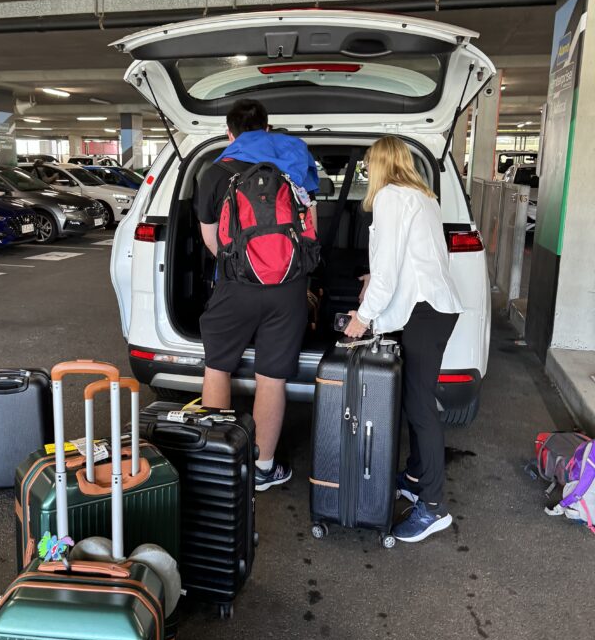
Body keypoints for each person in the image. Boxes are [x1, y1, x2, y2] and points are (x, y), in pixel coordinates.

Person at [196, 98, 319, 492]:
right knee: (272, 378)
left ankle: (216, 460)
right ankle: (264, 468)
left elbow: (210, 239)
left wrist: (240, 266)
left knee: (218, 367)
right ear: (267, 128)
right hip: (288, 288)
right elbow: (309, 223)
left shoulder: (214, 173)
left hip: (236, 286)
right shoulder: (295, 159)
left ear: (230, 133)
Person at [344, 136, 462, 543]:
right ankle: (414, 475)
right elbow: (411, 259)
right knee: (417, 399)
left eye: (367, 165)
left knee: (419, 405)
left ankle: (433, 507)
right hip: (434, 307)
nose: (365, 172)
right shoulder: (421, 196)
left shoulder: (393, 197)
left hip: (424, 311)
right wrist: (372, 280)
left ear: (379, 165)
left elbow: (392, 272)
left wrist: (362, 317)